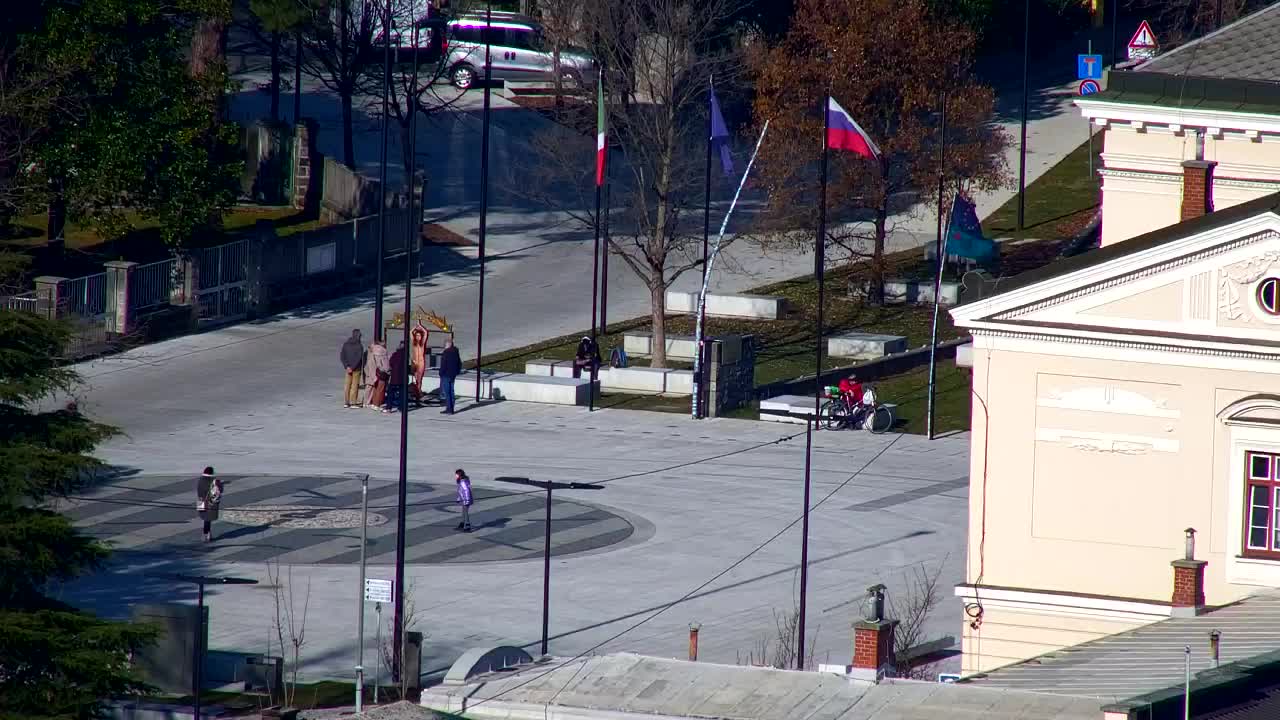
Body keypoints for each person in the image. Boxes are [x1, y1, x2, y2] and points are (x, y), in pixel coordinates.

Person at [195, 466, 224, 543]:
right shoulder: (215, 481)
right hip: (210, 502)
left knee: (205, 518)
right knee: (208, 519)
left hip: (201, 501)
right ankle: (206, 534)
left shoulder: (200, 480)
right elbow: (220, 490)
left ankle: (206, 533)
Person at [340, 329, 365, 408]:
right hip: (356, 369)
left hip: (347, 369)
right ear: (358, 336)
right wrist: (352, 367)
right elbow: (358, 358)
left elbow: (342, 356)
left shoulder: (346, 344)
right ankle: (353, 402)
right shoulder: (359, 346)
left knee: (347, 385)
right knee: (354, 385)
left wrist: (347, 366)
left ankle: (346, 402)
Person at [438, 338, 461, 414]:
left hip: (446, 375)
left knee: (447, 392)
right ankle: (451, 408)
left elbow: (443, 364)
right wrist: (457, 372)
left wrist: (440, 373)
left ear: (447, 344)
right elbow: (459, 363)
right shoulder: (456, 351)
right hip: (453, 374)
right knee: (451, 391)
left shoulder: (446, 352)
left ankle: (449, 409)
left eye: (445, 345)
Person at [365, 338, 390, 409]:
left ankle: (371, 402)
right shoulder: (383, 352)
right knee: (380, 388)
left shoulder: (372, 351)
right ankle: (376, 404)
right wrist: (387, 370)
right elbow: (384, 364)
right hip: (381, 372)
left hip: (374, 372)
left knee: (374, 388)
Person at [385, 340, 408, 413]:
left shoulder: (395, 354)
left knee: (391, 392)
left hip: (395, 376)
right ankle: (401, 408)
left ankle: (389, 407)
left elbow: (391, 363)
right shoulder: (406, 355)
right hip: (403, 377)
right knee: (402, 393)